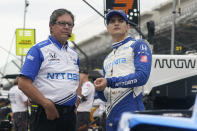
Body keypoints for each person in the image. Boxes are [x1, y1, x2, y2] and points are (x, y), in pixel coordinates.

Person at [18, 8, 80, 131]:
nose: (66, 27)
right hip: (46, 112)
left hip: (69, 115)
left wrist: (77, 98)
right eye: (62, 23)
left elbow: (75, 78)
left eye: (70, 24)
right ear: (51, 26)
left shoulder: (74, 54)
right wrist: (47, 104)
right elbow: (23, 83)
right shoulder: (38, 50)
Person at [94, 10, 152, 131]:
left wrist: (109, 82)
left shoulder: (138, 45)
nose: (116, 23)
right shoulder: (107, 58)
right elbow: (106, 97)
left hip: (131, 114)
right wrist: (100, 89)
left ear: (127, 26)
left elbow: (142, 77)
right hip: (111, 118)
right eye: (112, 21)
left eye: (120, 21)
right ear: (108, 28)